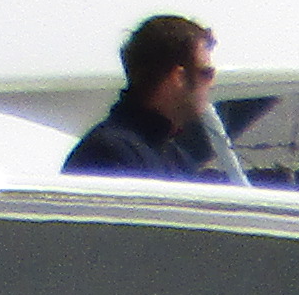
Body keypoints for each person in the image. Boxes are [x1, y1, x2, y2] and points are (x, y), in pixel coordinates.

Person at [64, 13, 233, 180]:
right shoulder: (108, 155)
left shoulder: (173, 156)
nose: (211, 83)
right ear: (178, 78)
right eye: (206, 73)